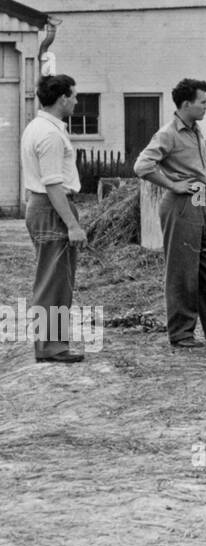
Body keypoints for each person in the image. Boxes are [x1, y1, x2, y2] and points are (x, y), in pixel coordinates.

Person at [133, 78, 206, 349]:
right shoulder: (168, 133)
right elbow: (142, 166)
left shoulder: (195, 132)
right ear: (186, 104)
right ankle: (181, 334)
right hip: (183, 204)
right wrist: (173, 185)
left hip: (204, 201)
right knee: (183, 271)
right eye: (202, 102)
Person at [20, 74, 87, 363]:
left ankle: (53, 343)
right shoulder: (49, 133)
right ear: (61, 99)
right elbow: (52, 183)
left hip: (44, 206)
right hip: (52, 207)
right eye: (73, 96)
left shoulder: (39, 127)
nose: (75, 101)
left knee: (56, 280)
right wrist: (72, 225)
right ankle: (50, 347)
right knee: (52, 281)